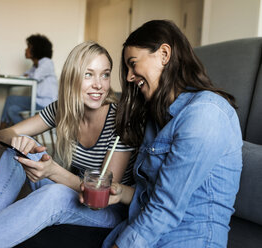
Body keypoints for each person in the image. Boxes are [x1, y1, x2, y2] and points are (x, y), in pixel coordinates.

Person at [0, 41, 137, 248]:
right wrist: (17, 140)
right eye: (88, 74)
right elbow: (3, 134)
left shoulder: (119, 119)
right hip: (77, 192)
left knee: (55, 194)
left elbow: (103, 194)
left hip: (108, 211)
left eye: (105, 74)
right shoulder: (62, 109)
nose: (99, 85)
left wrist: (52, 171)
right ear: (72, 77)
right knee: (18, 152)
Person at [95, 20, 243, 248]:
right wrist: (123, 193)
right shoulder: (159, 116)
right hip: (142, 232)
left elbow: (166, 206)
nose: (129, 77)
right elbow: (157, 192)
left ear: (164, 54)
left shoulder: (206, 114)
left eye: (133, 64)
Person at [0, 34, 58, 128]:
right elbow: (24, 76)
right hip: (38, 101)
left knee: (11, 99)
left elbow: (35, 77)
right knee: (12, 110)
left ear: (36, 49)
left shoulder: (47, 62)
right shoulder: (35, 66)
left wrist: (29, 75)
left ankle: (0, 130)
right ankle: (28, 134)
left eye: (28, 47)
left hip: (46, 103)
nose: (25, 50)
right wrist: (29, 74)